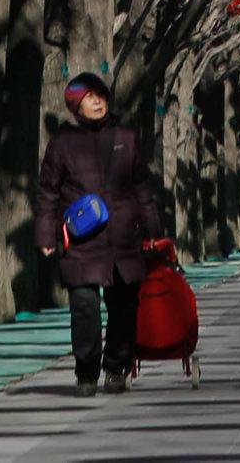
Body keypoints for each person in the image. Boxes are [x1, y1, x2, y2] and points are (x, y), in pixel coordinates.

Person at [34, 69, 165, 394]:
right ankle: (86, 371)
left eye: (100, 95)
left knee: (124, 307)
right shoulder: (62, 143)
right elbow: (47, 192)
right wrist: (46, 235)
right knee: (84, 307)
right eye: (89, 98)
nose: (97, 102)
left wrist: (153, 230)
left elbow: (141, 187)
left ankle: (117, 367)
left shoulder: (126, 138)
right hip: (81, 241)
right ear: (75, 106)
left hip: (123, 239)